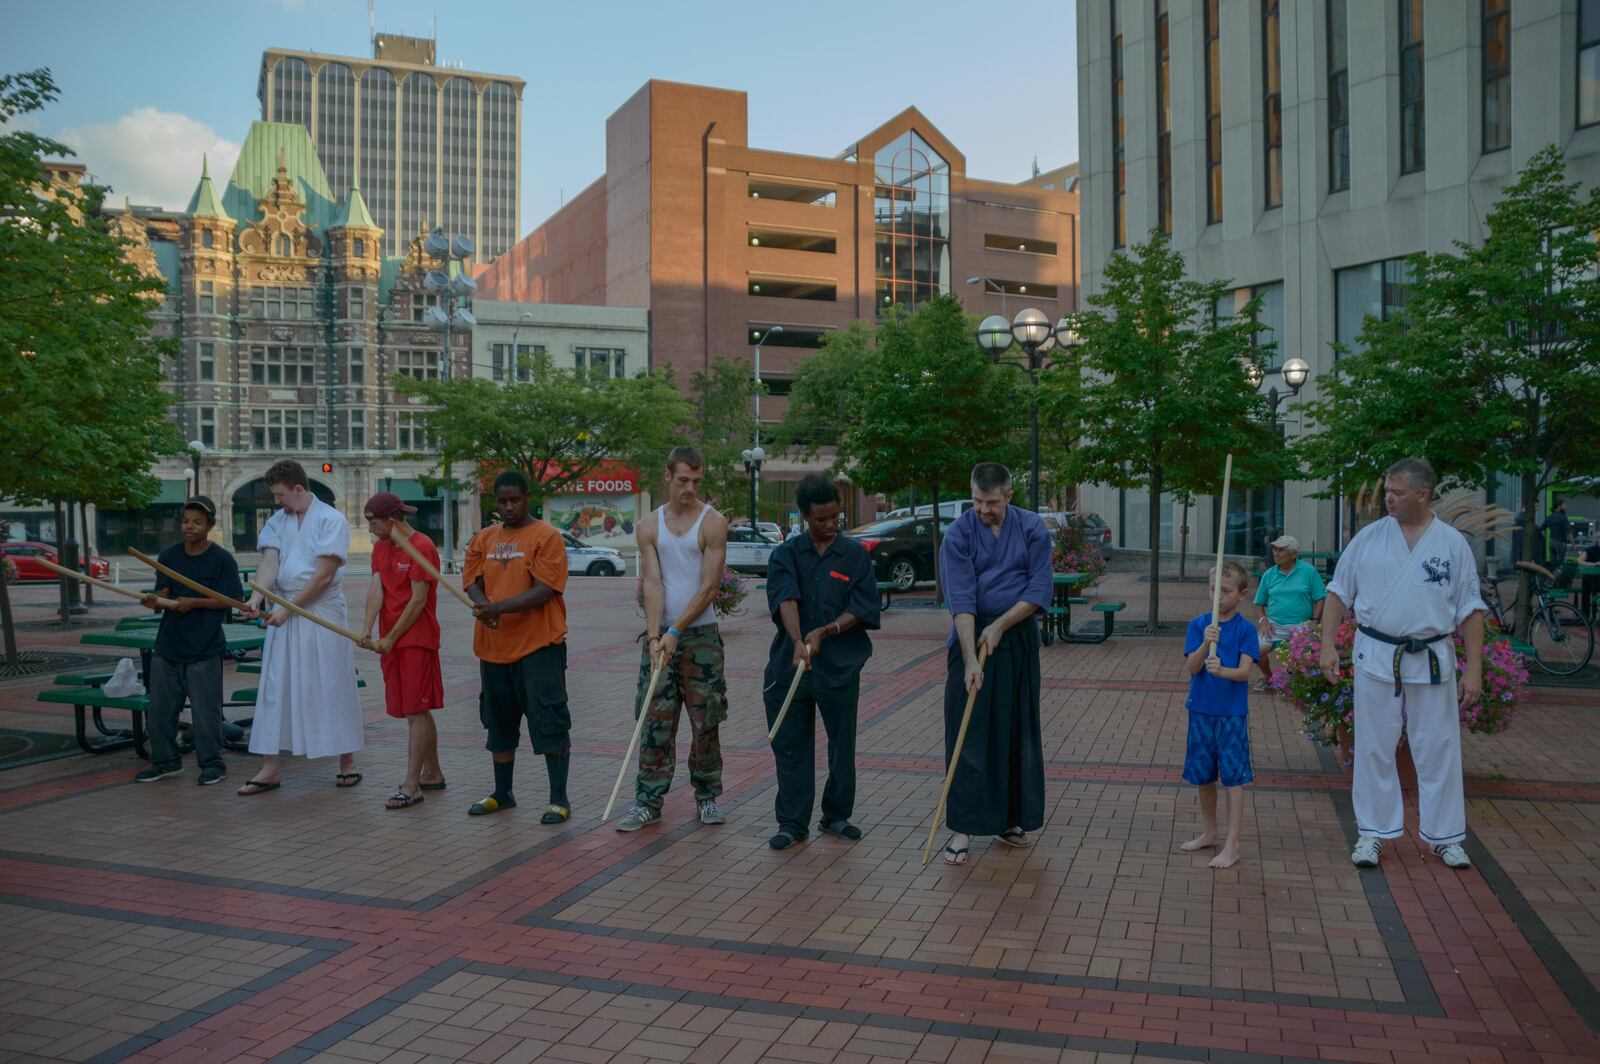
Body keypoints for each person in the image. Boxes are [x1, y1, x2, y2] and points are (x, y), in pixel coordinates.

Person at [1321, 458, 1484, 870]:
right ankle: (1372, 834)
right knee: (1374, 746)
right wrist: (1327, 645)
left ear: (1423, 494)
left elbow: (1471, 610)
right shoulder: (1370, 538)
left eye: (1396, 492)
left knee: (1439, 747)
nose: (1387, 498)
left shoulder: (1451, 543)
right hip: (1377, 654)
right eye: (1387, 490)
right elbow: (1339, 592)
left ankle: (1445, 836)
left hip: (1431, 657)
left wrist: (1475, 669)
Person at [937, 462, 1053, 865]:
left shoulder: (1033, 528)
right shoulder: (958, 535)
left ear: (1009, 496)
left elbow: (1038, 588)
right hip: (970, 636)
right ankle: (963, 828)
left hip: (1016, 635)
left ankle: (1010, 820)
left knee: (1015, 729)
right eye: (977, 501)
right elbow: (962, 599)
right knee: (968, 731)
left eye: (991, 502)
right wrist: (970, 659)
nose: (983, 510)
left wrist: (1002, 625)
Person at [617, 446, 732, 832]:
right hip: (662, 635)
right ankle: (647, 801)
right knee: (654, 720)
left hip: (700, 638)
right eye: (683, 480)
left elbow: (709, 586)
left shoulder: (712, 522)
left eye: (696, 481)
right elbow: (653, 582)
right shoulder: (649, 526)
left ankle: (707, 797)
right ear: (667, 476)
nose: (690, 488)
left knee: (706, 720)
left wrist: (676, 631)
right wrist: (654, 638)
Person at [762, 474, 880, 850]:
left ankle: (836, 816)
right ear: (804, 517)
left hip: (840, 668)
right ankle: (793, 823)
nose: (830, 525)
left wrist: (825, 632)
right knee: (792, 747)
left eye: (835, 517)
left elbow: (862, 607)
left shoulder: (854, 555)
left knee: (841, 746)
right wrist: (799, 641)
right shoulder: (785, 554)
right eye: (820, 520)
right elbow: (786, 598)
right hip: (791, 667)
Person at [240, 461, 363, 794]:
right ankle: (270, 767)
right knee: (275, 686)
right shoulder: (278, 521)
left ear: (298, 489)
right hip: (285, 609)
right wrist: (258, 597)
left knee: (331, 682)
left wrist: (289, 610)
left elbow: (323, 576)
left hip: (320, 612)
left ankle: (346, 760)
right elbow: (270, 563)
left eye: (280, 494)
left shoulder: (331, 520)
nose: (277, 501)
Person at [463, 470, 573, 823]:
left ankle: (559, 799)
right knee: (499, 722)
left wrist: (497, 608)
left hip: (538, 646)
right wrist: (482, 605)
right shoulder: (484, 538)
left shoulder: (546, 536)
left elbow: (546, 589)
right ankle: (502, 793)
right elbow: (471, 581)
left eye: (515, 500)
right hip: (494, 648)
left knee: (549, 719)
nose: (508, 507)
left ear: (528, 498)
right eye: (502, 501)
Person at [135, 496, 245, 786]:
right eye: (185, 521)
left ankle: (212, 764)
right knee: (159, 710)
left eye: (197, 522)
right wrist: (155, 601)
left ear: (209, 525)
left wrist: (193, 603)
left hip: (204, 647)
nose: (189, 527)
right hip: (168, 645)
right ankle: (164, 762)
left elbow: (233, 600)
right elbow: (166, 594)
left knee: (205, 712)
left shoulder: (222, 559)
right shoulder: (170, 556)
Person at [359, 492, 446, 810]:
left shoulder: (422, 547)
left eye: (374, 523)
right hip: (391, 641)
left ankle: (412, 784)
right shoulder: (381, 547)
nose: (371, 530)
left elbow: (418, 600)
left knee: (415, 710)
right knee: (415, 709)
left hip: (416, 639)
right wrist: (368, 629)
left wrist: (392, 638)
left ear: (392, 520)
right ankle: (433, 772)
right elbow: (376, 587)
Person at [1181, 561, 1260, 870]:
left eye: (1225, 591)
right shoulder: (1198, 624)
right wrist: (1205, 642)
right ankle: (1210, 832)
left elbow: (1244, 673)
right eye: (1214, 589)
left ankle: (1232, 843)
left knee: (1233, 779)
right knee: (1203, 776)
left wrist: (1223, 670)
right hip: (1200, 711)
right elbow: (1192, 666)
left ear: (1241, 594)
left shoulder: (1245, 630)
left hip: (1230, 715)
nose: (1218, 596)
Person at [1250, 534, 1326, 690]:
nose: (1276, 553)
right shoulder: (1269, 574)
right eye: (1274, 549)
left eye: (1281, 550)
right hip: (1275, 624)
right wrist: (1263, 621)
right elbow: (1258, 603)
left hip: (1302, 624)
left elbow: (1320, 598)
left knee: (1304, 654)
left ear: (1293, 554)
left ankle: (1289, 679)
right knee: (1256, 651)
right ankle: (1269, 677)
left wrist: (1315, 621)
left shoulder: (1308, 571)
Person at [1543, 498, 1572, 568]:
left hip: (1551, 542)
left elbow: (1542, 528)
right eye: (1564, 505)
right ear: (1559, 506)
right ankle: (1558, 577)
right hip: (1560, 543)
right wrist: (1573, 544)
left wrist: (1543, 537)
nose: (1566, 506)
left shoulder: (1549, 517)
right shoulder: (1563, 517)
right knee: (1560, 563)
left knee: (1552, 562)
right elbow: (1568, 532)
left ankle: (1551, 577)